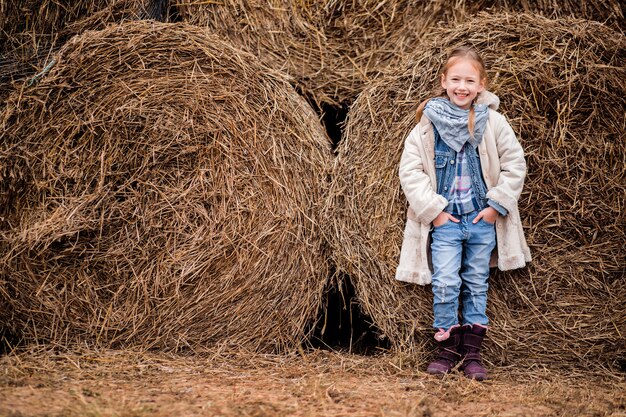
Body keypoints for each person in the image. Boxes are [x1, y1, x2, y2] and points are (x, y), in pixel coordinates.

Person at [395, 47, 531, 380]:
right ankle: (446, 348)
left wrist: (495, 206)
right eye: (455, 79)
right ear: (444, 81)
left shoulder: (494, 122)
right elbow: (409, 171)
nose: (462, 86)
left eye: (469, 80)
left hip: (480, 221)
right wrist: (434, 212)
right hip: (446, 223)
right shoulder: (427, 126)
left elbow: (515, 164)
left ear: (481, 84)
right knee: (444, 283)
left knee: (476, 284)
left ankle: (472, 354)